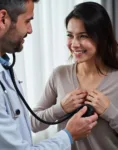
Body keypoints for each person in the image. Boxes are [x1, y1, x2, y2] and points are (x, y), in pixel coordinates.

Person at [0, 0, 98, 150]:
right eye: (28, 21)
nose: (30, 30)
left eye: (83, 35)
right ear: (3, 19)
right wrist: (68, 134)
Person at [30, 2, 118, 150]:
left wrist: (110, 112)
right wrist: (61, 108)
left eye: (83, 36)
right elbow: (33, 124)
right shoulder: (59, 75)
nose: (74, 44)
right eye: (70, 35)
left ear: (102, 37)